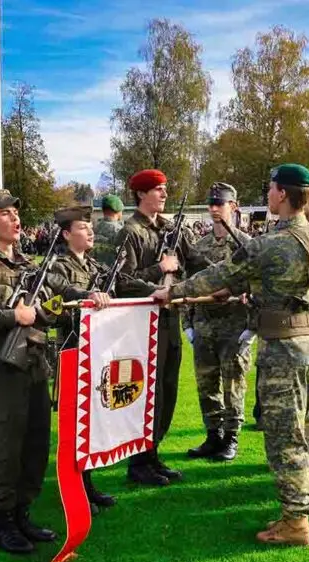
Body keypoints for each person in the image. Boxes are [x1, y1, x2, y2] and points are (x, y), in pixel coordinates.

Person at [151, 164, 309, 547]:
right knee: (308, 431)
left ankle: (296, 522)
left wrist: (170, 292)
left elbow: (219, 275)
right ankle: (299, 507)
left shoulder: (271, 243)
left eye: (270, 189)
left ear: (282, 194)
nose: (268, 195)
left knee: (286, 435)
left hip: (284, 348)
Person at [0, 190, 108, 554]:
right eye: (5, 214)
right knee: (2, 446)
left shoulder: (29, 266)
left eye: (15, 213)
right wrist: (12, 316)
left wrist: (91, 296)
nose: (14, 219)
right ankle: (3, 524)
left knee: (35, 445)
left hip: (36, 365)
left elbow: (60, 292)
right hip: (2, 368)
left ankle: (24, 514)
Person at [49, 205, 156, 514]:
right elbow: (62, 289)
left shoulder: (95, 264)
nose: (91, 230)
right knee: (74, 425)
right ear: (67, 234)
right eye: (83, 227)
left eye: (91, 225)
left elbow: (122, 282)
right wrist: (88, 295)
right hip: (73, 352)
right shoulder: (59, 265)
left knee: (92, 420)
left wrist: (158, 291)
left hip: (97, 354)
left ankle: (88, 484)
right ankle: (75, 487)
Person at [117, 169, 211, 486]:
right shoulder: (129, 231)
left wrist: (228, 280)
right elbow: (121, 280)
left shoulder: (170, 228)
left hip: (169, 319)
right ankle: (139, 461)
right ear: (141, 194)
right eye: (158, 189)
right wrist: (159, 269)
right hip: (141, 322)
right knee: (146, 392)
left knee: (166, 391)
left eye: (165, 188)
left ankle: (152, 452)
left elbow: (196, 260)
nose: (164, 194)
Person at [183, 183, 255, 462]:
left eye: (220, 204)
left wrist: (252, 327)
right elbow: (187, 286)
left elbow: (257, 286)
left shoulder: (246, 245)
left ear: (233, 207)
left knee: (233, 384)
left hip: (234, 328)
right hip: (204, 325)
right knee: (206, 384)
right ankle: (213, 436)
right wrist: (187, 324)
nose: (214, 209)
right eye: (211, 204)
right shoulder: (198, 248)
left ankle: (231, 437)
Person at [91, 194, 126, 267]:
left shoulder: (92, 229)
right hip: (113, 274)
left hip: (94, 272)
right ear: (118, 211)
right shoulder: (121, 231)